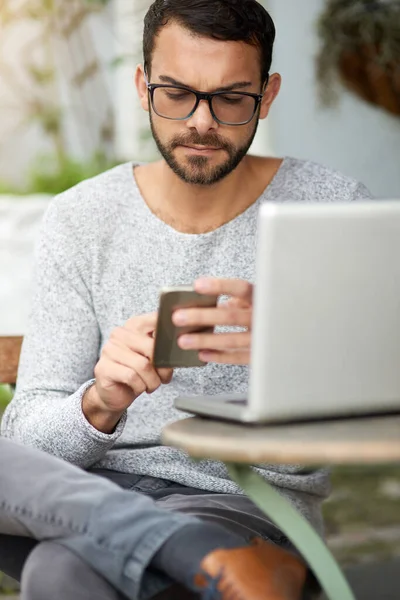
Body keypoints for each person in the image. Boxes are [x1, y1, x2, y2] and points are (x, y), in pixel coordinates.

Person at [0, 0, 372, 598]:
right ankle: (187, 552)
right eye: (177, 93)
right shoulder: (82, 217)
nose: (201, 121)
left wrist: (298, 349)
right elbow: (27, 443)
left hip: (244, 504)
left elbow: (372, 405)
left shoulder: (329, 208)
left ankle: (197, 548)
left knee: (58, 571)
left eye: (230, 97)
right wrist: (100, 401)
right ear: (143, 86)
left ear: (267, 95)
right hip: (92, 492)